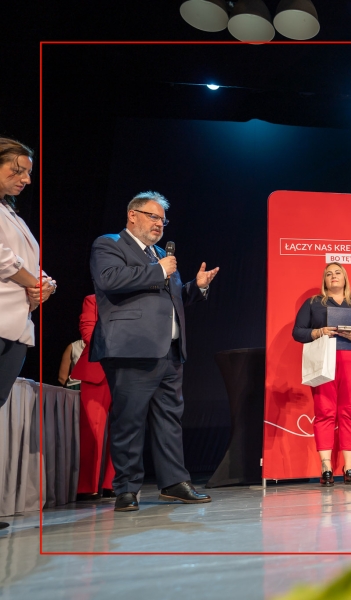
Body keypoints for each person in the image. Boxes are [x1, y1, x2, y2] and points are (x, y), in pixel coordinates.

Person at [89, 191, 219, 512]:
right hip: (131, 349)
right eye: (153, 216)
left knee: (169, 419)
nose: (159, 223)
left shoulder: (161, 255)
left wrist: (196, 287)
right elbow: (109, 279)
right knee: (130, 420)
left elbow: (170, 299)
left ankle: (174, 483)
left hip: (169, 351)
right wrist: (159, 270)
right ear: (132, 215)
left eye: (163, 219)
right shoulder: (109, 244)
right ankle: (126, 489)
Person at [1, 139, 56, 530]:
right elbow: (5, 260)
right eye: (17, 169)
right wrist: (35, 283)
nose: (25, 179)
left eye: (28, 172)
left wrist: (45, 285)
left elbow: (31, 265)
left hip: (16, 328)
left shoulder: (12, 214)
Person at [292, 262, 351, 486]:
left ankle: (349, 465)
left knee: (349, 411)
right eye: (329, 273)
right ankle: (326, 466)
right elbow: (298, 332)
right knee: (324, 411)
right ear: (324, 280)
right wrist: (319, 331)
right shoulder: (313, 303)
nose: (333, 276)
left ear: (345, 277)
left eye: (337, 272)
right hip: (324, 361)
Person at [71, 294, 115, 499]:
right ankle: (87, 486)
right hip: (98, 370)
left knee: (124, 429)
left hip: (129, 371)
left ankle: (113, 483)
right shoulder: (93, 299)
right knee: (92, 432)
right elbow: (88, 332)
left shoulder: (136, 299)